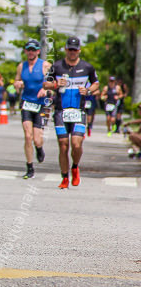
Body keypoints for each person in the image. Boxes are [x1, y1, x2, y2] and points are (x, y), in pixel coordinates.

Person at [45, 36, 99, 189]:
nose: (72, 52)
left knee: (76, 144)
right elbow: (45, 83)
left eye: (75, 50)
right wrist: (55, 84)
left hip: (78, 111)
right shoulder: (57, 66)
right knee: (63, 145)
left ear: (79, 50)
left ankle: (75, 166)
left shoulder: (87, 67)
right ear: (65, 49)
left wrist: (88, 90)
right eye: (70, 49)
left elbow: (96, 84)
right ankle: (64, 177)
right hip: (61, 112)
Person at [13, 39, 50, 179]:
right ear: (25, 51)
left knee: (37, 139)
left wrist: (45, 90)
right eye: (28, 49)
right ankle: (29, 167)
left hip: (41, 105)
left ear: (38, 51)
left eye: (33, 49)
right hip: (27, 103)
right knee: (27, 136)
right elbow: (17, 80)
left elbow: (53, 82)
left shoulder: (45, 65)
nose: (31, 52)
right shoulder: (20, 66)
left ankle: (39, 149)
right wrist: (18, 84)